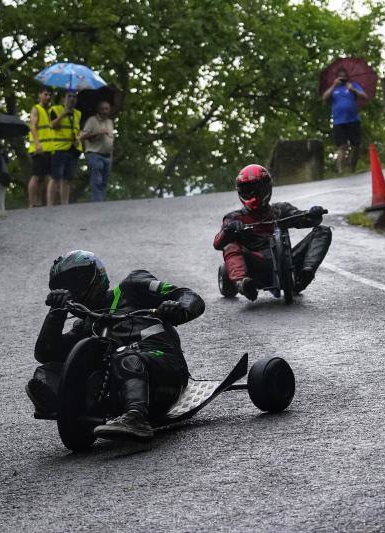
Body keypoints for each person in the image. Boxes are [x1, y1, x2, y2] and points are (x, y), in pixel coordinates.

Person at [26, 250, 205, 441]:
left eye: (76, 281)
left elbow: (186, 295)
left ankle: (136, 417)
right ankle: (71, 411)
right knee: (47, 372)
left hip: (166, 372)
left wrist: (178, 308)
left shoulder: (133, 286)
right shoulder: (86, 325)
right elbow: (46, 353)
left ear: (96, 274)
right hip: (118, 390)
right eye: (66, 286)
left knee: (123, 355)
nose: (74, 289)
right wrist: (56, 312)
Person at [213, 164, 332, 300]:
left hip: (287, 259)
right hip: (256, 264)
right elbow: (218, 243)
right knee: (230, 244)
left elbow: (307, 220)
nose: (253, 194)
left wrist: (313, 214)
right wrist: (229, 231)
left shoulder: (281, 210)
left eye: (258, 189)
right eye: (248, 190)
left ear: (267, 188)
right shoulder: (234, 218)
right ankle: (242, 283)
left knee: (323, 231)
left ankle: (306, 272)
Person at [322, 67, 367, 174]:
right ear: (337, 77)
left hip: (353, 120)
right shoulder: (334, 88)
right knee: (341, 146)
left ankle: (352, 168)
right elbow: (324, 97)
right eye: (340, 76)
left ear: (347, 76)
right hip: (338, 121)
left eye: (344, 76)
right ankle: (340, 170)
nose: (342, 77)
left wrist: (353, 90)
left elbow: (364, 96)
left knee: (356, 145)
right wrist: (334, 85)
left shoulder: (353, 85)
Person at [48, 91, 82, 206]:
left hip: (73, 148)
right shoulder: (55, 109)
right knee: (55, 177)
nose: (72, 99)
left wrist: (78, 138)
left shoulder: (78, 113)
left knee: (68, 178)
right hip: (60, 148)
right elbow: (52, 125)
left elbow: (78, 130)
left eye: (74, 97)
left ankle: (65, 204)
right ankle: (50, 205)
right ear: (63, 98)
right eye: (69, 96)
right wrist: (63, 114)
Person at [79, 100, 115, 202]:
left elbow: (111, 139)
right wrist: (97, 133)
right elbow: (82, 136)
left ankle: (100, 203)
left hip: (107, 155)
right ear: (98, 110)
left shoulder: (110, 122)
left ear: (110, 110)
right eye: (102, 109)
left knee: (104, 181)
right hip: (95, 154)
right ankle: (97, 202)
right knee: (97, 180)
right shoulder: (92, 120)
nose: (105, 111)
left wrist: (111, 155)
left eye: (107, 109)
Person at [27, 86, 56, 207]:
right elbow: (33, 127)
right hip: (38, 148)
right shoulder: (36, 109)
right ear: (39, 95)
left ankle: (38, 202)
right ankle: (31, 202)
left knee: (44, 177)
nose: (48, 97)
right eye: (45, 94)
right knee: (37, 176)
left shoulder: (49, 111)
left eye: (49, 95)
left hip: (49, 148)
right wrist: (37, 144)